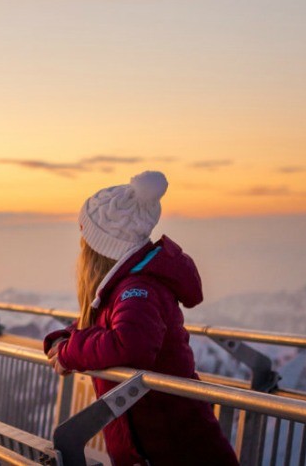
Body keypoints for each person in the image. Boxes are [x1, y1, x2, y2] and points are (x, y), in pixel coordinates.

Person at [44, 171, 238, 466]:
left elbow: (131, 345)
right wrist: (64, 339)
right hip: (155, 449)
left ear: (99, 249)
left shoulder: (138, 289)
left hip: (175, 450)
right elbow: (105, 325)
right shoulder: (124, 288)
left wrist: (71, 352)